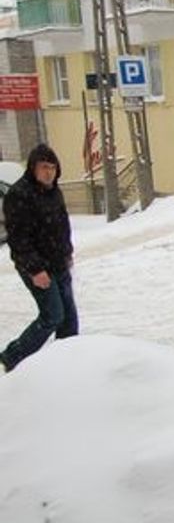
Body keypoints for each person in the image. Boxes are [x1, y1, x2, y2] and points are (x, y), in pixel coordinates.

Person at [1, 144, 77, 372]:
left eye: (53, 168)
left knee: (69, 319)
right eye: (44, 167)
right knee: (52, 315)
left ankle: (70, 360)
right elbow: (19, 239)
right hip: (36, 267)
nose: (49, 173)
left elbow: (62, 226)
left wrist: (67, 252)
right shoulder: (19, 195)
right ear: (33, 168)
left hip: (59, 262)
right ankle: (12, 357)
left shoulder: (54, 192)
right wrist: (35, 270)